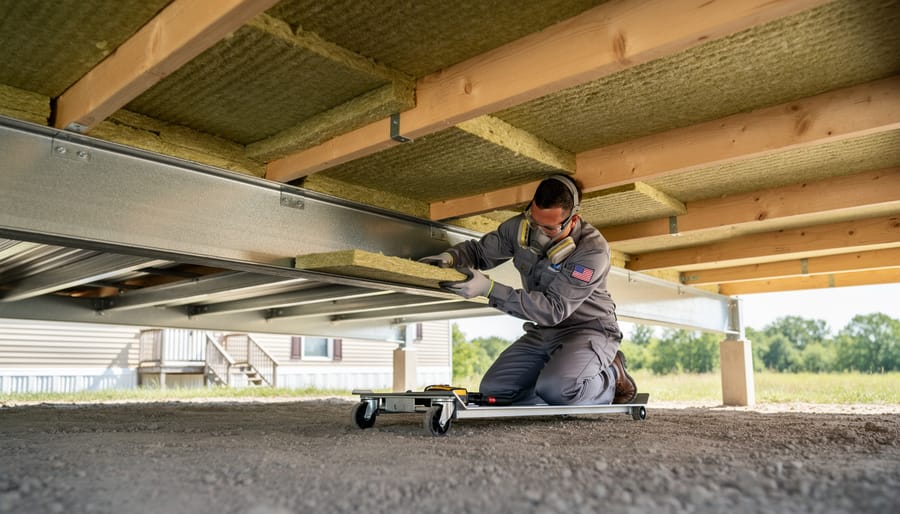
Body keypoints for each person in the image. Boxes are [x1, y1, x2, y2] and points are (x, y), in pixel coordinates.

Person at [420, 175, 636, 406]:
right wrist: (450, 257)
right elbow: (480, 253)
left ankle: (611, 376)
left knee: (560, 390)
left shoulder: (592, 251)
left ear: (572, 221)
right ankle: (552, 384)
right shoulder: (520, 227)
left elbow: (554, 309)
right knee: (496, 392)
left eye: (548, 228)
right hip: (544, 331)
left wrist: (490, 289)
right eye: (534, 221)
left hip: (588, 330)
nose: (538, 232)